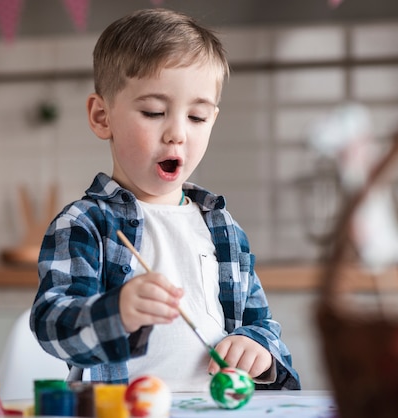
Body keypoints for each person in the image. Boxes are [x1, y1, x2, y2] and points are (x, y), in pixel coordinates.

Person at [30, 8, 301, 391]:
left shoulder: (224, 228)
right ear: (102, 117)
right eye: (154, 111)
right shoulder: (84, 223)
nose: (177, 133)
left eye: (197, 117)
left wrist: (256, 347)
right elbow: (49, 323)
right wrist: (116, 313)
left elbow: (262, 325)